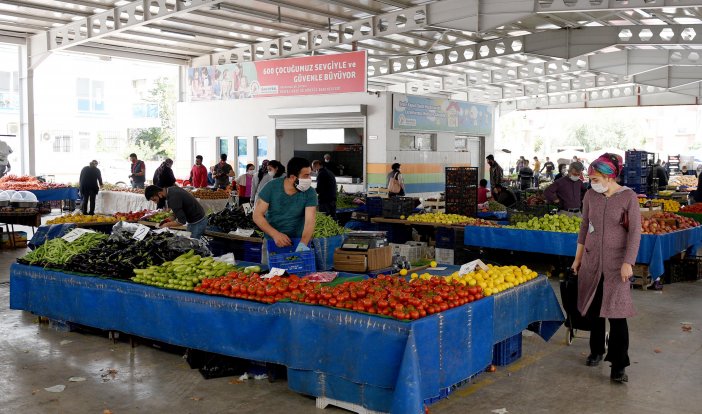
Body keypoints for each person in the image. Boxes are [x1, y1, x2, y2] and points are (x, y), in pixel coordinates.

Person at [571, 153, 641, 384]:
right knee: (594, 310)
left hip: (616, 266)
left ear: (610, 177)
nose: (593, 182)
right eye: (591, 178)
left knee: (617, 315)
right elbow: (584, 227)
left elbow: (635, 233)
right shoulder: (591, 195)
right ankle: (596, 350)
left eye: (596, 178)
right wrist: (578, 258)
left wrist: (628, 262)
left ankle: (619, 364)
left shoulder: (628, 197)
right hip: (591, 262)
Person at [253, 157, 317, 249]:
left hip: (297, 242)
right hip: (272, 241)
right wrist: (275, 234)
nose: (309, 179)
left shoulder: (310, 193)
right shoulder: (271, 187)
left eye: (309, 175)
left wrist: (303, 243)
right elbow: (257, 215)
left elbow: (309, 222)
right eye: (306, 176)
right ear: (292, 177)